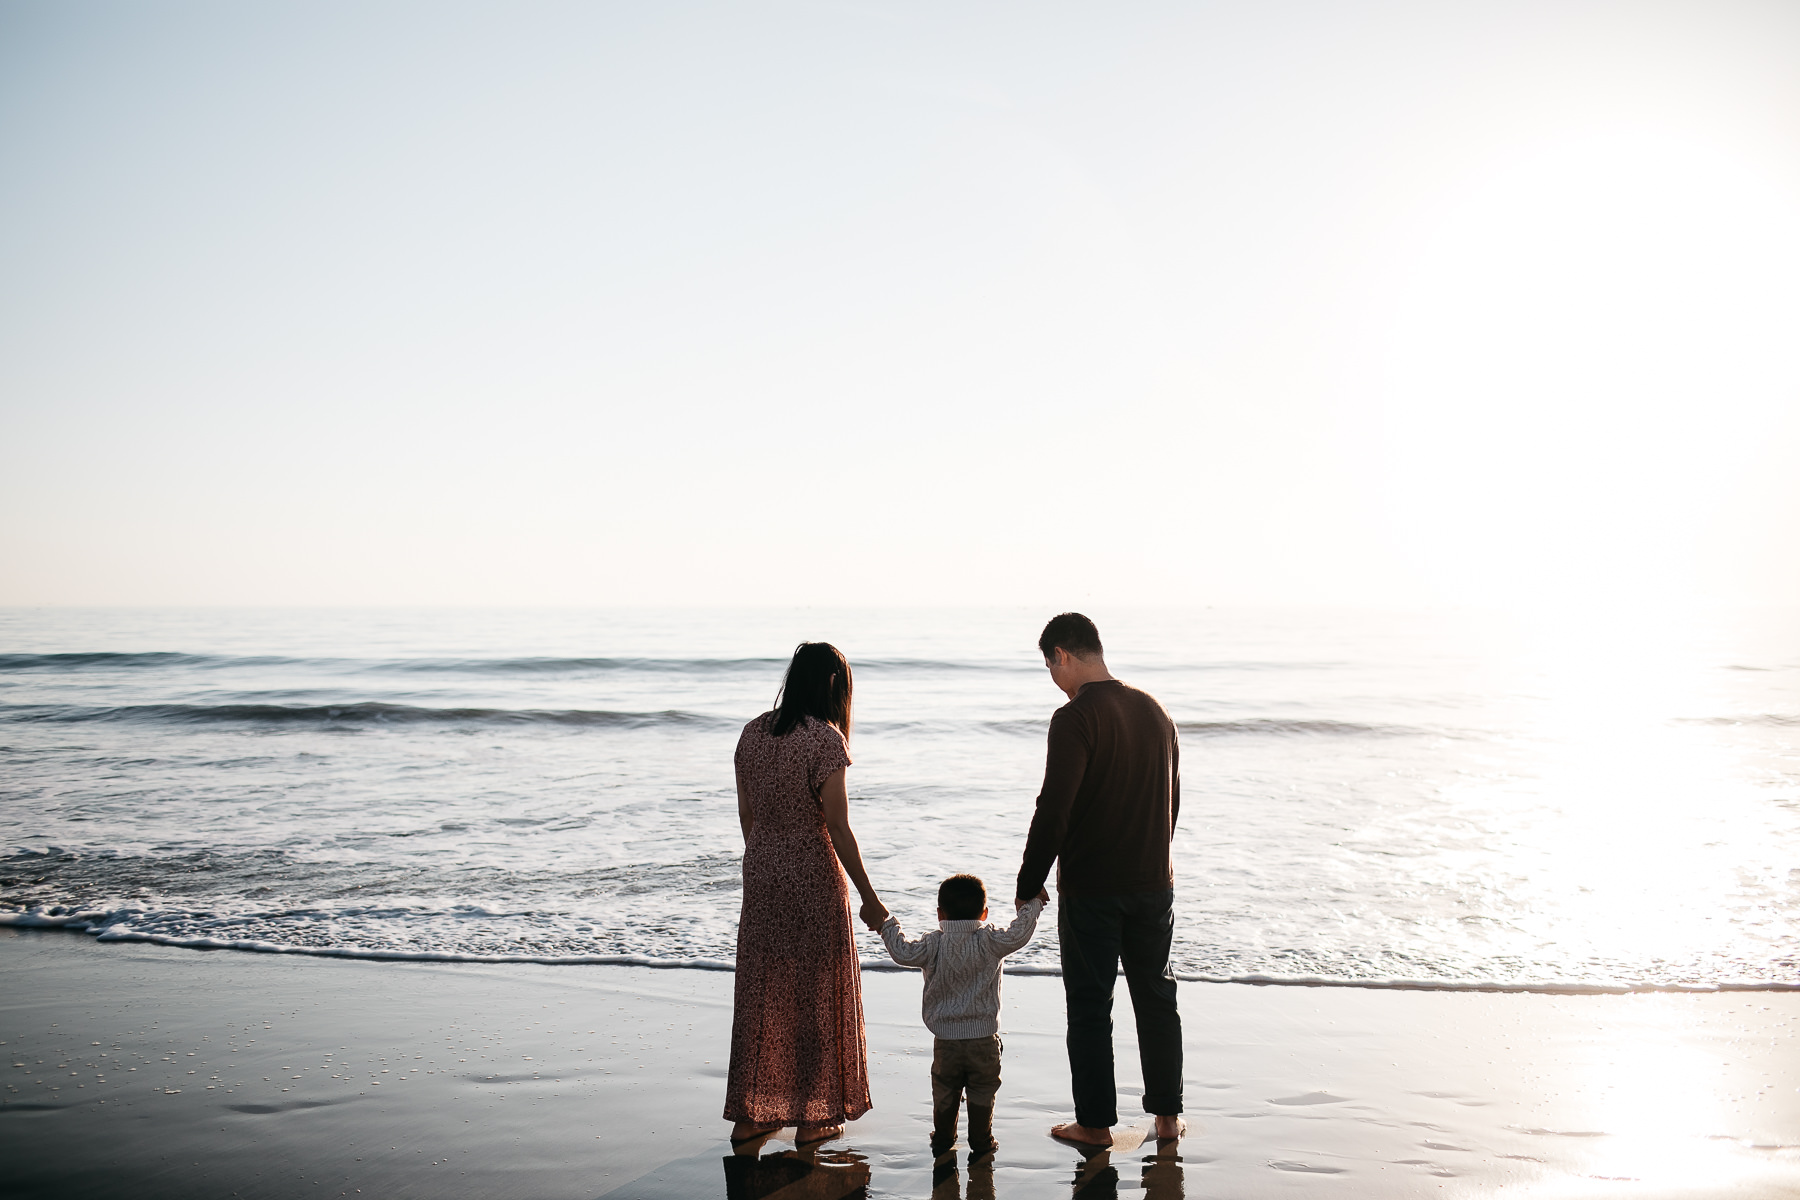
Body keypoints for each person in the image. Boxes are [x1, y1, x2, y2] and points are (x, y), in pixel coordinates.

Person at [1015, 612, 1185, 1145]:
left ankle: (1094, 1124)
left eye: (1049, 666)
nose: (1053, 679)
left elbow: (1054, 808)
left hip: (1092, 887)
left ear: (1061, 655)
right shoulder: (1155, 712)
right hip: (1154, 883)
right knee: (1156, 995)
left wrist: (1028, 879)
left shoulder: (1075, 718)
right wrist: (1155, 858)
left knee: (1090, 1005)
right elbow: (1171, 801)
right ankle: (1166, 1118)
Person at [724, 642, 888, 1147]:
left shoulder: (753, 732)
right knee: (817, 993)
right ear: (835, 685)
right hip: (814, 877)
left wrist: (768, 859)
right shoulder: (825, 740)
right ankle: (814, 1118)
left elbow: (746, 814)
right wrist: (869, 896)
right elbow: (837, 827)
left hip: (763, 873)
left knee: (765, 991)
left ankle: (755, 1115)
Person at [876, 873, 1047, 1156]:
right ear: (984, 912)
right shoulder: (990, 941)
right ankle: (981, 1140)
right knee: (983, 1090)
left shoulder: (933, 944)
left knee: (945, 1090)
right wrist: (1033, 905)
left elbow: (902, 953)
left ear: (940, 913)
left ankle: (944, 1138)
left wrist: (886, 924)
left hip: (946, 1042)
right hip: (984, 1039)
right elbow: (1020, 933)